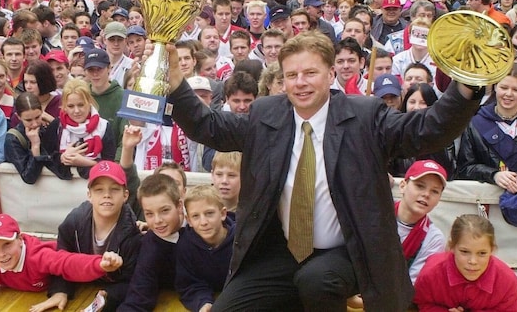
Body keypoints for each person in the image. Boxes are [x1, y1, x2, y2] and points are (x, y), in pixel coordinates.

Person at [162, 30, 483, 310]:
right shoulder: (265, 114)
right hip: (280, 251)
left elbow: (427, 129)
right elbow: (210, 127)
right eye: (291, 75)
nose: (300, 83)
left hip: (349, 250)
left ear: (331, 74)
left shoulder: (365, 116)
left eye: (310, 73)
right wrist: (177, 84)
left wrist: (467, 85)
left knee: (316, 280)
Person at [0, 213, 124, 311]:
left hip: (89, 275)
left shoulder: (38, 256)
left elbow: (67, 262)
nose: (2, 255)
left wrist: (100, 264)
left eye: (7, 244)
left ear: (20, 240)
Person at [37, 158, 142, 312]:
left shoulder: (133, 233)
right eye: (99, 189)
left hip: (110, 295)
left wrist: (107, 298)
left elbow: (134, 280)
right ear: (89, 195)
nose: (107, 195)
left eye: (114, 189)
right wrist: (60, 290)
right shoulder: (73, 222)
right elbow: (61, 258)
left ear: (125, 195)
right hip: (78, 288)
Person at [349, 160, 449, 309]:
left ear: (439, 199)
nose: (426, 194)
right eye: (420, 186)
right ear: (403, 186)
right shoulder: (375, 213)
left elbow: (414, 285)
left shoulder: (434, 238)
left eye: (435, 191)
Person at [457, 63, 517, 193]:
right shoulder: (475, 122)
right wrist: (494, 175)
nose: (508, 94)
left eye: (516, 90)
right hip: (482, 198)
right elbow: (464, 167)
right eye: (504, 87)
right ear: (495, 86)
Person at [413, 214, 517, 311]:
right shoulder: (430, 275)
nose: (473, 261)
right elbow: (420, 304)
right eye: (464, 252)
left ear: (492, 250)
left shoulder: (507, 282)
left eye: (482, 253)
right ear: (451, 247)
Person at [119, 174, 184, 311]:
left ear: (179, 205)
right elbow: (139, 295)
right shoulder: (151, 246)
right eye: (149, 214)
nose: (157, 220)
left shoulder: (201, 225)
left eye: (165, 211)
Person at [175, 185, 235, 312]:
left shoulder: (240, 239)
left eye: (209, 213)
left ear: (223, 214)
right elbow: (189, 283)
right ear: (189, 220)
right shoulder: (185, 245)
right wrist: (203, 302)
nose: (203, 222)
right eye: (196, 216)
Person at [4, 92, 70, 184]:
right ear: (18, 117)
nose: (34, 124)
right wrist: (35, 146)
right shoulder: (12, 139)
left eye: (37, 117)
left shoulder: (46, 127)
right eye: (28, 120)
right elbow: (29, 177)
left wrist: (54, 122)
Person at [59, 79, 116, 180]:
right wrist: (63, 157)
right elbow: (48, 158)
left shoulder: (103, 126)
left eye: (81, 105)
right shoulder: (58, 126)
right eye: (71, 106)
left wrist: (84, 162)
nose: (76, 111)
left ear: (89, 102)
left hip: (97, 185)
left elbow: (110, 165)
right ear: (64, 107)